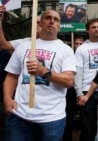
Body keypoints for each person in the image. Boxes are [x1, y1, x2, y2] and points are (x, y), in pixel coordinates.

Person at [3, 10, 76, 141]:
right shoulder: (24, 46)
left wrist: (43, 71)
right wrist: (7, 98)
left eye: (56, 19)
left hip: (52, 119)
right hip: (20, 116)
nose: (52, 21)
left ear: (59, 26)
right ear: (40, 24)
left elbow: (69, 81)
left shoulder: (66, 50)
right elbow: (12, 76)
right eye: (48, 18)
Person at [74, 18, 98, 141]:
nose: (96, 29)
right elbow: (78, 72)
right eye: (93, 27)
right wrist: (79, 93)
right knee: (88, 129)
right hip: (87, 93)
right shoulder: (82, 48)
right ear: (88, 30)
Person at [63, 36, 84, 141]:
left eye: (81, 44)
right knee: (69, 117)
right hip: (70, 91)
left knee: (84, 119)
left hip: (83, 90)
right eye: (77, 44)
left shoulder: (84, 56)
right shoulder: (68, 56)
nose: (79, 46)